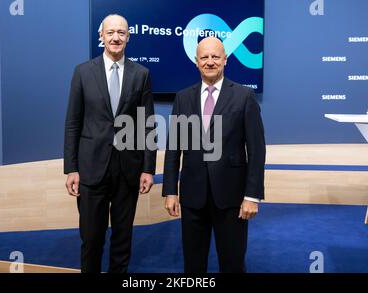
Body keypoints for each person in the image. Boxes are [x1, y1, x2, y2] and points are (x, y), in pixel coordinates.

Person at [162, 37, 266, 273]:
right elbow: (173, 149)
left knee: (232, 263)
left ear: (225, 60)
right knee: (193, 265)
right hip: (192, 198)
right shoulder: (183, 98)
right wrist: (170, 190)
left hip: (232, 199)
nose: (210, 62)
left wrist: (252, 195)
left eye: (215, 57)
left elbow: (257, 150)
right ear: (196, 62)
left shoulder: (244, 96)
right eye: (204, 57)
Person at [64, 14, 156, 273]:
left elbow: (147, 124)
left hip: (128, 169)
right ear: (101, 36)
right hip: (91, 169)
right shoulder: (83, 72)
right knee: (91, 239)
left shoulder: (142, 74)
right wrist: (71, 168)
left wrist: (148, 168)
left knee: (122, 240)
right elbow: (73, 122)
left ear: (128, 37)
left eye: (121, 33)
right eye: (110, 32)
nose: (116, 37)